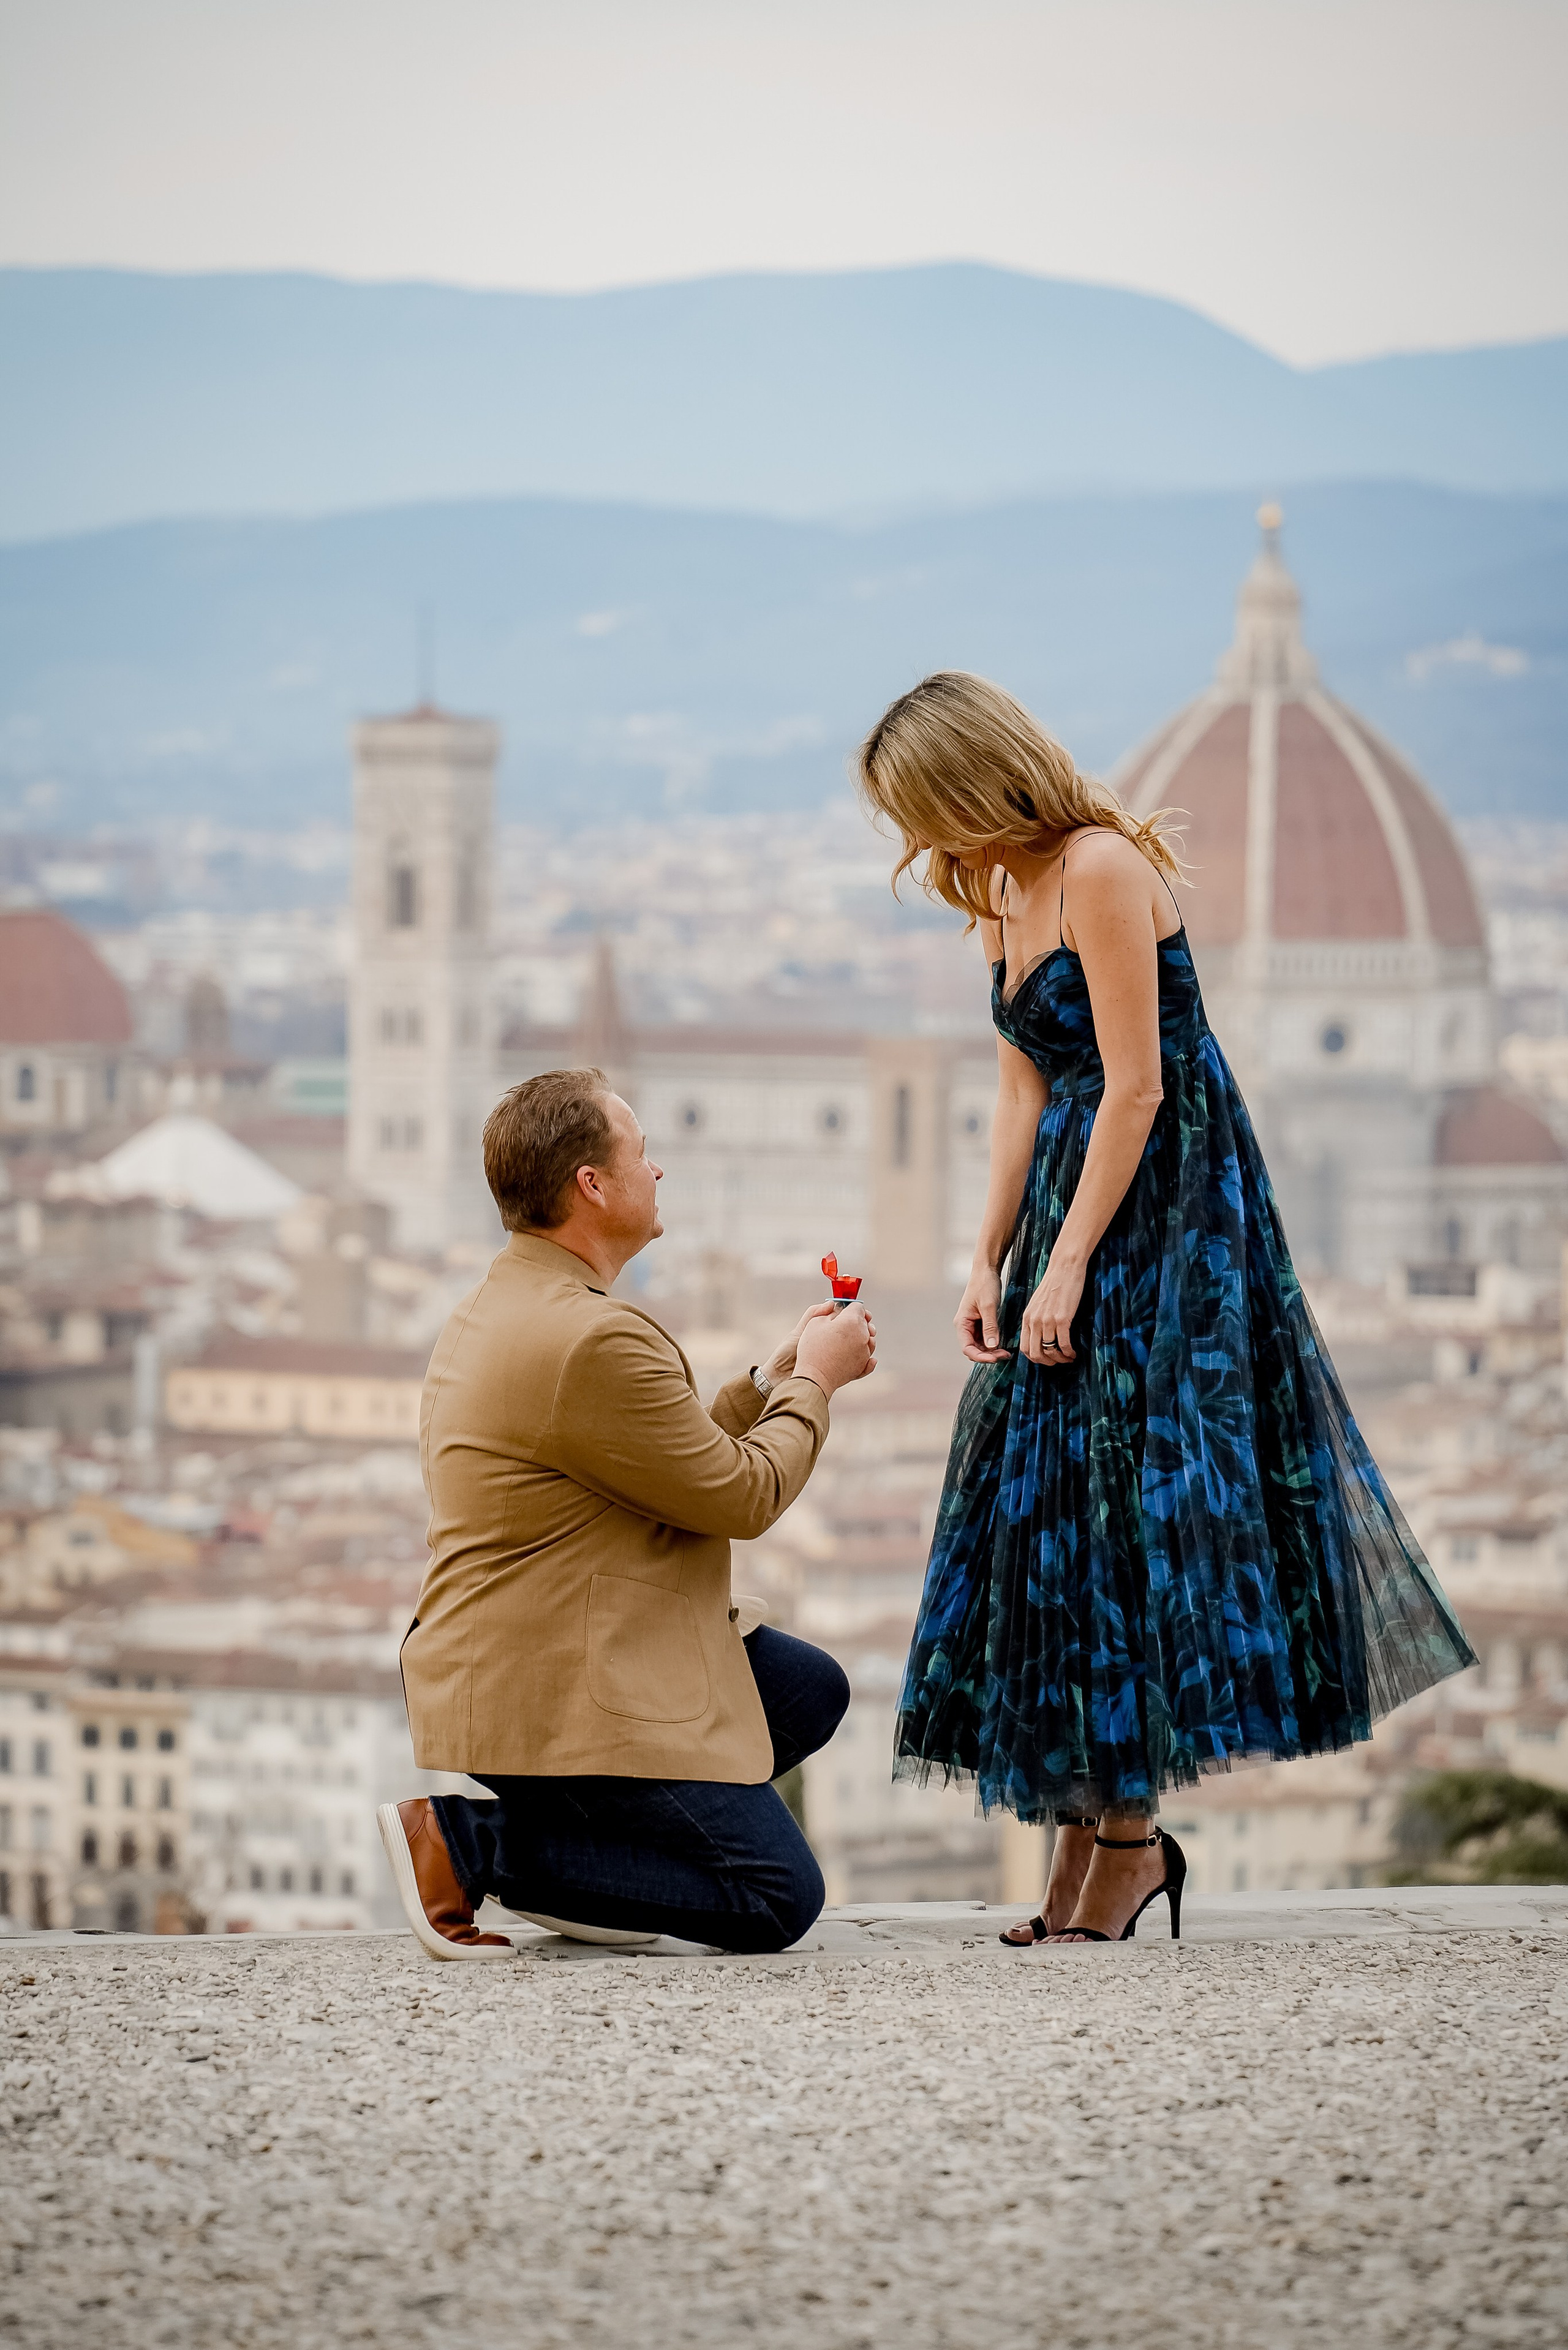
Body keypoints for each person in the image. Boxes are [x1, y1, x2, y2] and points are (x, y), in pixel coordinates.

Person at [856, 671, 1476, 1945]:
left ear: (973, 778)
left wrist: (1071, 1259)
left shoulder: (1094, 868)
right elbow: (1023, 1093)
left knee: (1129, 1501)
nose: (917, 842)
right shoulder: (997, 895)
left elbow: (1136, 1087)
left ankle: (1127, 1844)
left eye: (922, 808)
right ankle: (1088, 1830)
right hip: (1068, 1210)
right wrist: (985, 1258)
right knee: (1055, 1515)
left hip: (1166, 1211)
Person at [379, 1066, 875, 1961]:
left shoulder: (510, 1304)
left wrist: (769, 1379)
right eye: (643, 1155)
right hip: (548, 1678)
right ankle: (468, 1846)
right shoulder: (596, 1337)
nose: (660, 1174)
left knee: (807, 1689)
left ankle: (597, 1861)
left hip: (509, 1647)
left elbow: (667, 1460)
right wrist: (817, 1383)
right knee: (775, 1896)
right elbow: (742, 1495)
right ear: (592, 1185)